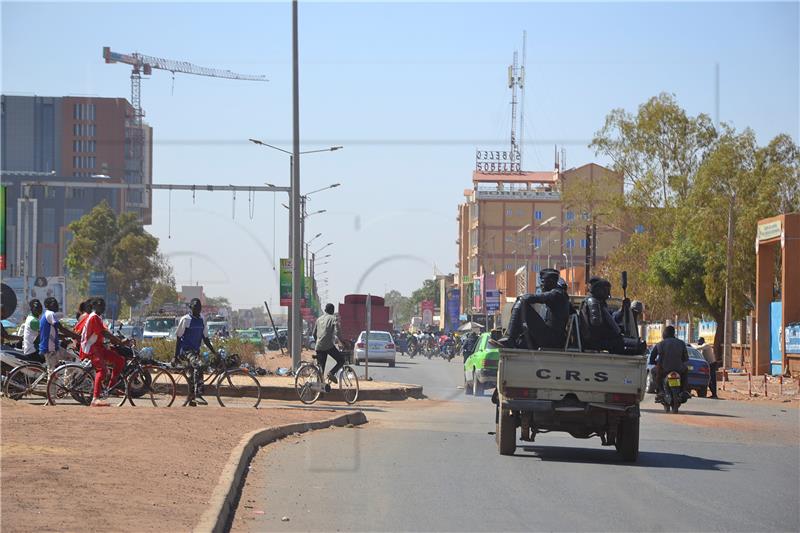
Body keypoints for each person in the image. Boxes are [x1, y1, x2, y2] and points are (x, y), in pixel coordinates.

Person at [498, 268, 570, 350]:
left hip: (551, 339)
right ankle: (513, 341)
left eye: (543, 282)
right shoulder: (561, 295)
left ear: (550, 282)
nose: (541, 286)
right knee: (521, 342)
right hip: (554, 339)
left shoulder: (557, 294)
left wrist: (521, 298)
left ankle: (509, 338)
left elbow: (532, 298)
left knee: (522, 303)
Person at [80, 297, 130, 407]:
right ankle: (95, 399)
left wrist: (119, 339)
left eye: (103, 305)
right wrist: (120, 342)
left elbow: (106, 331)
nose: (102, 307)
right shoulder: (94, 318)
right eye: (99, 305)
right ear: (93, 307)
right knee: (102, 370)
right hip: (91, 347)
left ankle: (111, 388)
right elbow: (104, 333)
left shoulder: (99, 317)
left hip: (99, 347)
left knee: (120, 361)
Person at [174, 298, 218, 406]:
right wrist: (175, 356)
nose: (196, 310)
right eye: (194, 308)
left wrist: (214, 352)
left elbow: (205, 338)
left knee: (194, 373)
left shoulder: (202, 320)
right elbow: (179, 338)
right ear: (191, 308)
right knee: (198, 366)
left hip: (195, 351)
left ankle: (191, 398)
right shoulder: (185, 320)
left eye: (198, 308)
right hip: (186, 351)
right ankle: (198, 395)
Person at [580, 277, 625, 354]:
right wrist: (612, 333)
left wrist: (622, 309)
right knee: (622, 343)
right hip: (594, 342)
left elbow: (612, 318)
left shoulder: (601, 304)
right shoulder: (593, 302)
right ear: (598, 290)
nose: (608, 294)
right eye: (605, 291)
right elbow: (596, 325)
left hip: (598, 339)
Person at [39, 297, 80, 372]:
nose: (56, 305)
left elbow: (54, 333)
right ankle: (56, 382)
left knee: (72, 359)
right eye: (53, 303)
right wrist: (77, 336)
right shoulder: (50, 314)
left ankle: (67, 382)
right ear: (47, 306)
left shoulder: (46, 315)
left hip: (55, 348)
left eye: (56, 303)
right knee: (53, 374)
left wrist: (65, 337)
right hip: (50, 349)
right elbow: (61, 328)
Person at [651, 325, 689, 397]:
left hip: (663, 370)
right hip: (679, 369)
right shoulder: (681, 343)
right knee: (686, 371)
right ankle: (684, 390)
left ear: (665, 334)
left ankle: (661, 390)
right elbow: (686, 358)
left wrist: (655, 363)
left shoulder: (660, 344)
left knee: (653, 371)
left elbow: (652, 358)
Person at [311, 303, 345, 384]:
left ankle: (320, 392)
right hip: (328, 346)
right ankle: (331, 373)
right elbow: (337, 332)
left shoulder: (318, 319)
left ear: (325, 310)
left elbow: (314, 334)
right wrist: (343, 342)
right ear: (332, 311)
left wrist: (318, 342)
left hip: (318, 346)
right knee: (341, 360)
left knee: (321, 371)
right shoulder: (333, 318)